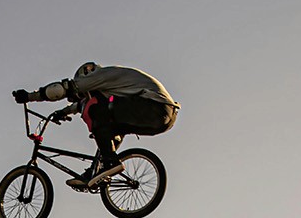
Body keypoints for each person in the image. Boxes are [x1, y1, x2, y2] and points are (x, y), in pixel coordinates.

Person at [13, 62, 180, 188]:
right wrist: (63, 112)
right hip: (161, 116)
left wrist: (30, 96)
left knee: (94, 109)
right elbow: (79, 105)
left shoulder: (100, 76)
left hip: (154, 107)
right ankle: (97, 169)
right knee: (107, 126)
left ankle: (110, 162)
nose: (82, 97)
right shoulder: (111, 88)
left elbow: (61, 89)